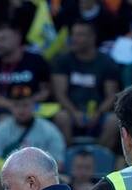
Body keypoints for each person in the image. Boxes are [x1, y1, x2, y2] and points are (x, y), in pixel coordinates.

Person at [51, 19, 121, 149]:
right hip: (70, 111)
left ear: (92, 38)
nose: (74, 39)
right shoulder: (62, 60)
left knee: (113, 120)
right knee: (61, 117)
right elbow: (60, 93)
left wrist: (98, 113)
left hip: (99, 113)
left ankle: (98, 158)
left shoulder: (107, 62)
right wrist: (74, 112)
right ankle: (68, 158)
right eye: (73, 34)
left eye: (80, 35)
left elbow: (111, 95)